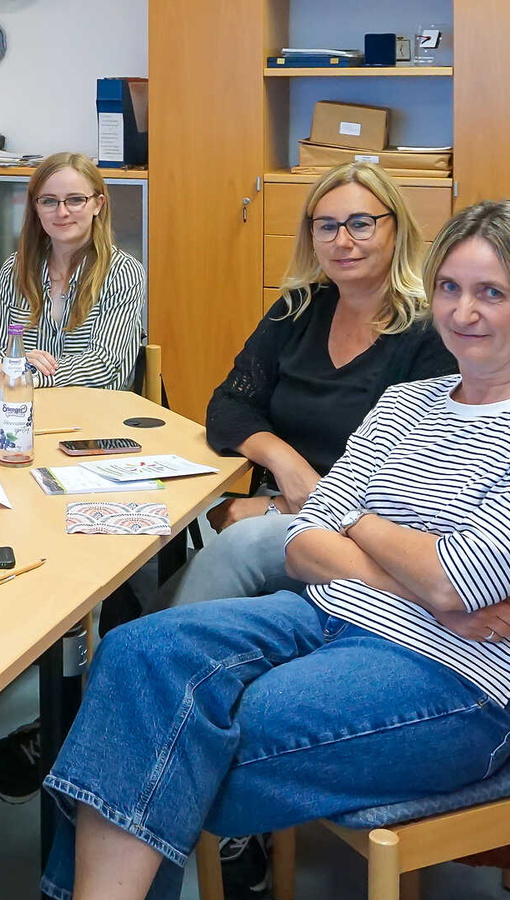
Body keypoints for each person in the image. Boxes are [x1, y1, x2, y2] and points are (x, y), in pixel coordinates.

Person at [40, 198, 510, 900]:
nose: (464, 312)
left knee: (169, 729)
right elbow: (307, 538)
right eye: (450, 288)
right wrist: (404, 566)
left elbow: (459, 579)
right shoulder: (408, 403)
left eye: (492, 293)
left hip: (461, 683)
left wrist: (361, 522)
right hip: (329, 618)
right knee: (137, 655)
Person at [157, 161, 456, 611]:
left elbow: (415, 477)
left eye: (361, 224)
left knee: (224, 559)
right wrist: (285, 463)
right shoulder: (297, 310)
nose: (343, 241)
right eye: (327, 227)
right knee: (147, 568)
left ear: (397, 229)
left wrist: (282, 507)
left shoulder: (430, 334)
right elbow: (228, 406)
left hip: (369, 531)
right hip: (287, 506)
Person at [0, 152, 146, 393]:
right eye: (49, 201)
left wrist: (25, 371)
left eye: (75, 200)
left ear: (98, 205)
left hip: (96, 414)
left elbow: (104, 365)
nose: (62, 212)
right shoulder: (16, 268)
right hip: (20, 408)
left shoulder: (123, 271)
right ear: (36, 207)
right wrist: (20, 368)